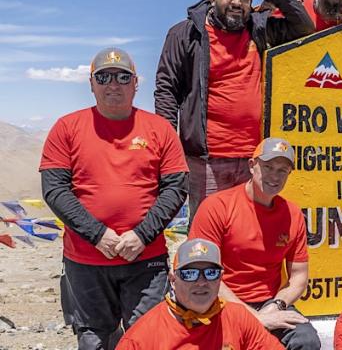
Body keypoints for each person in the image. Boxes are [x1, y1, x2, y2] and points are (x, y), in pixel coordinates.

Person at [40, 48, 188, 349]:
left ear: (136, 84)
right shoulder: (66, 128)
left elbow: (176, 187)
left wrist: (142, 235)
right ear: (91, 84)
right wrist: (98, 235)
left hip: (146, 258)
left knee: (148, 338)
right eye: (103, 76)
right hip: (86, 260)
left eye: (123, 77)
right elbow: (54, 189)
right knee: (93, 338)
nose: (113, 84)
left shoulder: (159, 129)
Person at [154, 0, 314, 220]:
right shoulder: (185, 33)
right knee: (207, 237)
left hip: (255, 158)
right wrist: (167, 148)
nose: (236, 2)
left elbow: (304, 28)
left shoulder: (259, 28)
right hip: (205, 160)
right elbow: (166, 90)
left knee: (246, 232)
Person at [188, 138, 320, 349]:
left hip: (270, 304)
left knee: (307, 340)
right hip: (219, 301)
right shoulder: (217, 207)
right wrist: (252, 318)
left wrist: (276, 306)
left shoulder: (293, 214)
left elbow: (299, 277)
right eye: (268, 167)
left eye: (282, 170)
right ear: (252, 166)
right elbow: (203, 273)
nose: (274, 176)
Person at [117, 238, 285, 349]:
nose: (201, 282)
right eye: (190, 274)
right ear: (173, 280)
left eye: (211, 273)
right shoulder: (141, 339)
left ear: (220, 279)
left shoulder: (238, 318)